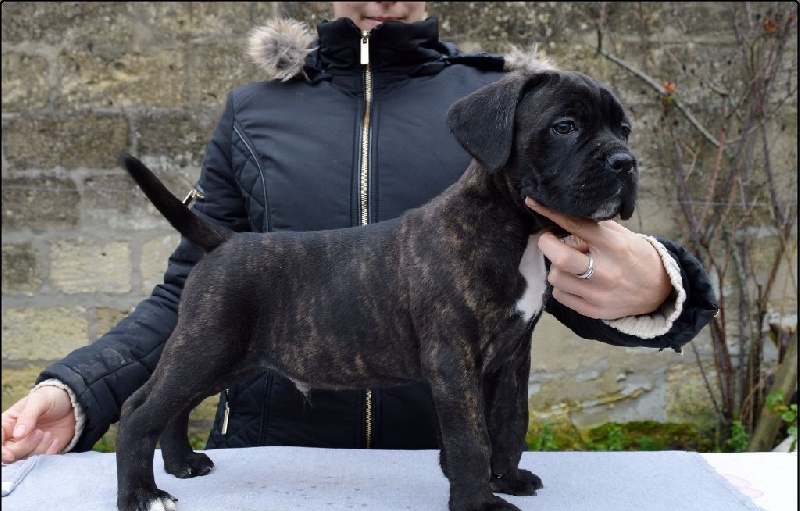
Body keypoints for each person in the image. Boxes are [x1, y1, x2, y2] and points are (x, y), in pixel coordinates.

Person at [1, 2, 717, 464]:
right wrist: (79, 390)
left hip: (437, 473)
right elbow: (191, 293)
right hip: (270, 465)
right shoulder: (253, 113)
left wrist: (661, 286)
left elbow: (566, 279)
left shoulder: (498, 110)